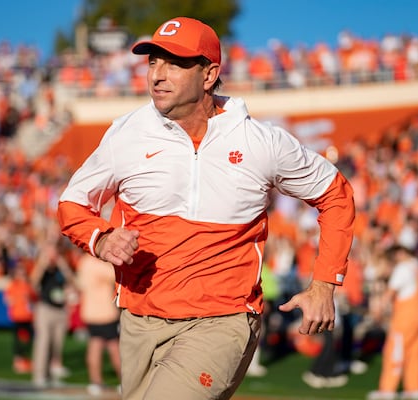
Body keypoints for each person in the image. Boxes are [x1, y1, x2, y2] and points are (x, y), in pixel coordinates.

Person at [57, 16, 355, 400]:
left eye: (174, 63)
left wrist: (325, 283)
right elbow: (72, 203)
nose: (157, 75)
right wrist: (100, 240)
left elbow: (336, 193)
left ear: (210, 74)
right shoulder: (125, 134)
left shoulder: (259, 141)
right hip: (139, 319)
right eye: (152, 62)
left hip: (222, 320)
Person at [367, 245, 418, 400]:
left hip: (406, 317)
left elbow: (390, 292)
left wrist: (378, 310)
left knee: (394, 352)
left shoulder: (402, 268)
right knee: (414, 353)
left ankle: (387, 390)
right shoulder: (417, 265)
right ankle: (415, 390)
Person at [75, 250, 122, 396]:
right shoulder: (99, 264)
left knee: (95, 345)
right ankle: (125, 382)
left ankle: (95, 382)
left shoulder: (84, 262)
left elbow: (80, 285)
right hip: (105, 312)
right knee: (115, 348)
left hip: (90, 312)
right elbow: (116, 275)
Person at [30, 242, 73, 388]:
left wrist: (62, 264)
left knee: (56, 344)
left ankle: (50, 373)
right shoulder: (43, 270)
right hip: (45, 308)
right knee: (43, 342)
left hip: (60, 309)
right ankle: (39, 375)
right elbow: (33, 282)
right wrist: (42, 263)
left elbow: (72, 281)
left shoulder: (60, 269)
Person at [3, 261, 37, 374]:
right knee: (18, 340)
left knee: (30, 339)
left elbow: (34, 298)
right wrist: (19, 299)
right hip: (18, 316)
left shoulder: (28, 285)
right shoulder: (14, 285)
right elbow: (7, 300)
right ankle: (18, 361)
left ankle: (28, 359)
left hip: (28, 316)